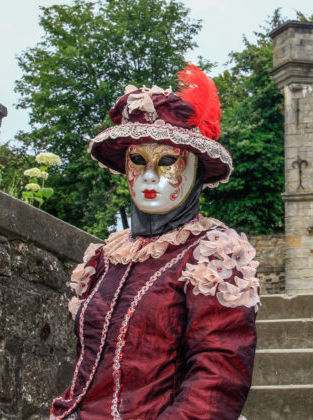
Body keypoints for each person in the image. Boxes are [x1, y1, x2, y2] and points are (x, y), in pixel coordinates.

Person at [50, 65, 260, 420]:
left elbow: (217, 380)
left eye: (166, 162)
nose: (149, 175)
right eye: (137, 160)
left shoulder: (213, 258)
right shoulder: (105, 258)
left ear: (196, 170)